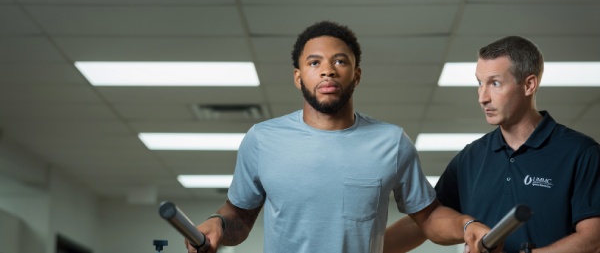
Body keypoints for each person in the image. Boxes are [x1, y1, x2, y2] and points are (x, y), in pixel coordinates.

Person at [185, 20, 493, 253]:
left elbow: (428, 217)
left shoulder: (392, 142)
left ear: (356, 74)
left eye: (340, 61)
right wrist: (218, 223)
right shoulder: (261, 139)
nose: (328, 71)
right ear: (298, 77)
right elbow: (240, 216)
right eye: (314, 62)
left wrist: (467, 226)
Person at [384, 36, 600, 253]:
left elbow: (593, 239)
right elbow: (426, 220)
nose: (482, 97)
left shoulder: (580, 153)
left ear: (529, 84)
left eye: (495, 83)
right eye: (480, 83)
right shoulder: (470, 158)